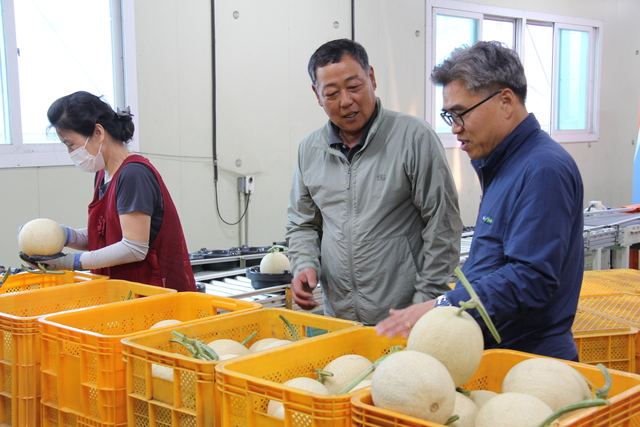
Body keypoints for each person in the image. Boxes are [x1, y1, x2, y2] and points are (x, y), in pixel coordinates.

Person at [376, 41, 584, 361]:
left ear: (505, 101)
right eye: (449, 117)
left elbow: (529, 280)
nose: (456, 129)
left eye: (461, 115)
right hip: (497, 351)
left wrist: (441, 306)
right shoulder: (502, 166)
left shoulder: (543, 169)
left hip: (530, 359)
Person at [285, 38, 463, 326]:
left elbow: (443, 224)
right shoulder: (310, 151)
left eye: (354, 87)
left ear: (372, 78)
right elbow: (302, 223)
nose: (346, 101)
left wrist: (425, 303)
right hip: (341, 319)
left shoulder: (412, 137)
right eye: (331, 93)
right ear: (317, 95)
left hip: (406, 316)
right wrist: (304, 264)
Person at [20, 91, 196, 292]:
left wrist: (72, 262)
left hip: (151, 291)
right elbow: (106, 235)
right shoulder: (103, 174)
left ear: (98, 133)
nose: (71, 153)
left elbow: (133, 248)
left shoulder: (133, 175)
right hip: (121, 290)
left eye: (71, 144)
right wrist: (62, 235)